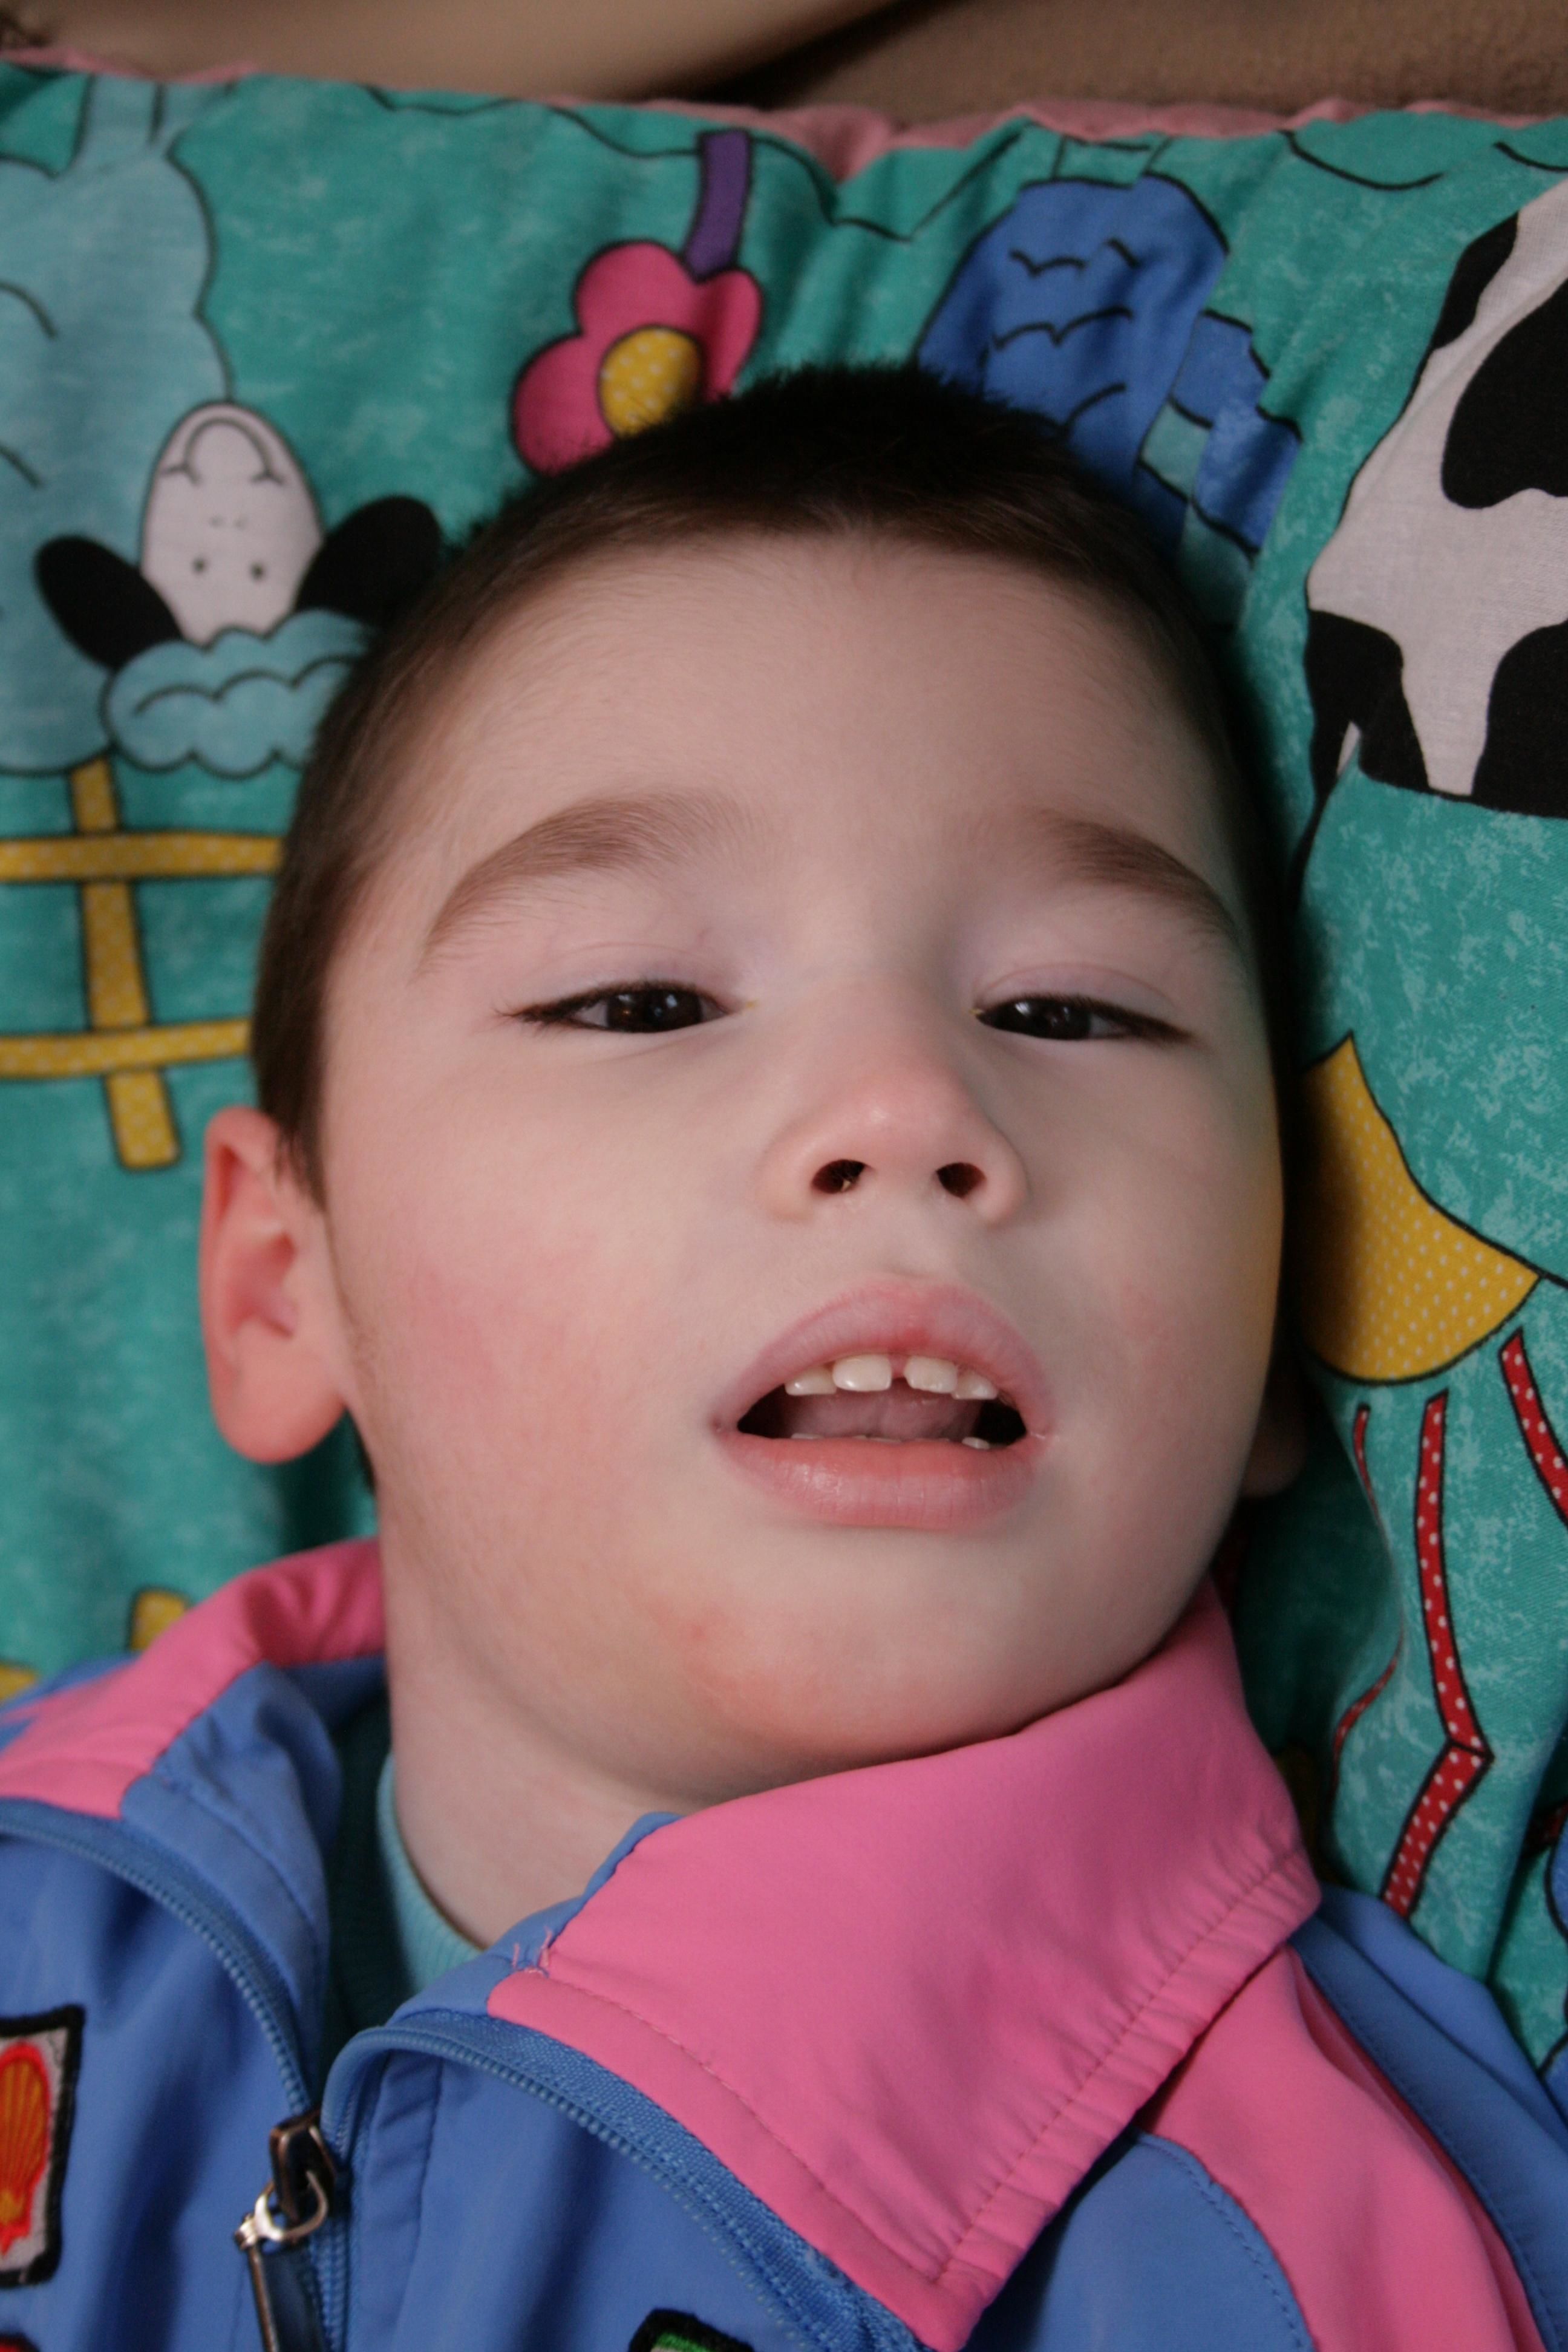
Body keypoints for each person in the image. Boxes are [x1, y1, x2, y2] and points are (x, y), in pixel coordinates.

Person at [1, 367, 1563, 2352]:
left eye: (1070, 1009)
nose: (904, 1108)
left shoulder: (1334, 2265)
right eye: (643, 1000)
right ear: (280, 1285)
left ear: (1283, 1313)